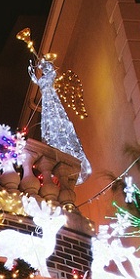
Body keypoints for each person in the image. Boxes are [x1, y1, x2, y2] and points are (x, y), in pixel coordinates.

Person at [28, 54, 92, 184]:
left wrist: (43, 64)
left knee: (60, 125)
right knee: (50, 127)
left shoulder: (50, 76)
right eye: (44, 68)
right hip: (46, 103)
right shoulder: (43, 80)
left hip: (52, 101)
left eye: (46, 68)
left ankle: (68, 154)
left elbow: (50, 74)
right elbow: (38, 81)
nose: (45, 70)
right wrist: (32, 72)